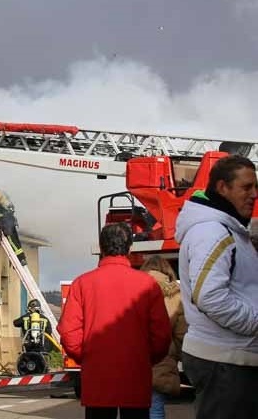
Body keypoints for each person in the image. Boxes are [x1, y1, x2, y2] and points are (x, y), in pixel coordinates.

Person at [58, 222, 171, 419]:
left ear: (101, 248)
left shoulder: (82, 284)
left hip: (97, 375)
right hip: (136, 374)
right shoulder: (147, 285)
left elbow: (69, 332)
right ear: (129, 248)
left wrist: (87, 356)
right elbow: (162, 334)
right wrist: (144, 357)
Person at [175, 155, 258, 419]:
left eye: (255, 188)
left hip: (229, 359)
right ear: (222, 187)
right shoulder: (212, 231)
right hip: (225, 362)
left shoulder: (226, 230)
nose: (254, 195)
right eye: (246, 187)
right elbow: (210, 297)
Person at [139, 256, 187, 419]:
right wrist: (176, 356)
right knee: (156, 408)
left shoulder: (134, 289)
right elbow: (181, 335)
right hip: (162, 360)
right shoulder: (175, 294)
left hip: (133, 361)